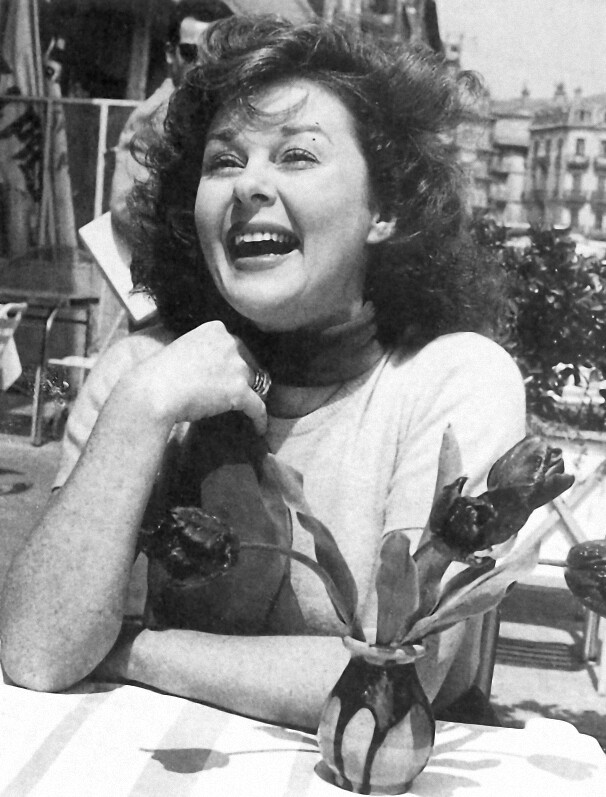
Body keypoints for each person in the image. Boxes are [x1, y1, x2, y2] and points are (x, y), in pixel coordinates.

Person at [0, 16, 526, 731]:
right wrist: (142, 408)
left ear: (386, 208)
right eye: (223, 161)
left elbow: (393, 677)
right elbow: (39, 651)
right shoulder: (146, 374)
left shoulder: (452, 380)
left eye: (297, 155)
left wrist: (129, 651)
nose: (249, 183)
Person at [109, 0, 232, 245]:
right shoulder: (155, 118)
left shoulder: (219, 107)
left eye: (215, 52)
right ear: (169, 53)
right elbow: (127, 209)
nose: (202, 63)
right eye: (190, 53)